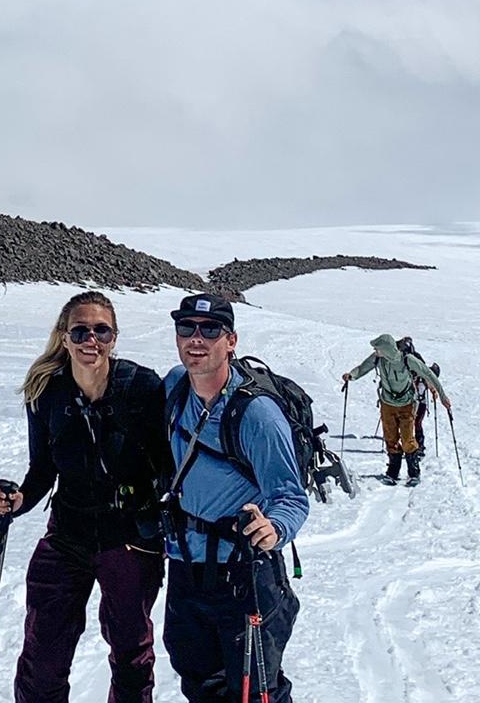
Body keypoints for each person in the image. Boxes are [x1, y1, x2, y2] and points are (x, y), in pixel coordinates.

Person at [0, 290, 170, 703]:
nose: (92, 339)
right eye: (81, 330)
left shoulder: (141, 387)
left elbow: (168, 462)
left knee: (130, 652)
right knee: (43, 652)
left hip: (129, 538)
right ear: (65, 337)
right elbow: (42, 469)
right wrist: (18, 502)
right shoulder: (47, 393)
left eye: (101, 330)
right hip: (67, 533)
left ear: (114, 336)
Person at [161, 294, 308, 703]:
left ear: (231, 341)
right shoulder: (174, 386)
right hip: (187, 567)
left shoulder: (257, 415)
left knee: (258, 692)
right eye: (186, 328)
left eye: (210, 330)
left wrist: (272, 527)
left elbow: (291, 497)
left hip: (245, 573)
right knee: (199, 683)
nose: (196, 338)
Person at [342, 333, 450, 485]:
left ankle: (414, 473)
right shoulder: (377, 358)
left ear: (386, 349)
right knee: (390, 438)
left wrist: (443, 396)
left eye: (377, 348)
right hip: (387, 403)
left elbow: (428, 374)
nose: (375, 350)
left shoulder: (407, 360)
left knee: (407, 439)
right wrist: (351, 376)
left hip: (407, 404)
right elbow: (362, 368)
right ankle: (392, 472)